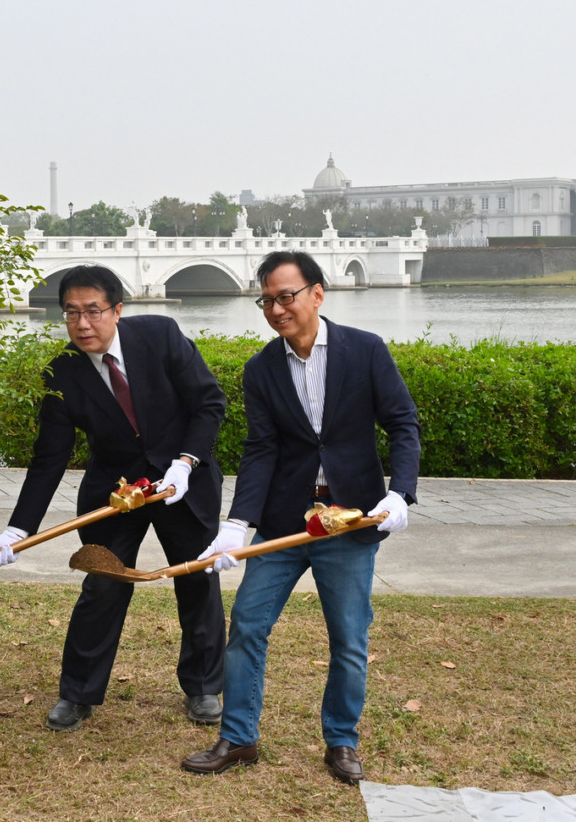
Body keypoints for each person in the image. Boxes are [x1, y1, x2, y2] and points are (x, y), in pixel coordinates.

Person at [181, 250, 419, 782]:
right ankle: (238, 738)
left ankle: (341, 742)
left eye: (285, 296)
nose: (275, 308)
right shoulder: (261, 368)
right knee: (246, 626)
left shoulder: (366, 351)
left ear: (316, 293)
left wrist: (400, 493)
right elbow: (261, 449)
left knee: (349, 639)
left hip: (350, 521)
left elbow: (403, 424)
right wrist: (236, 524)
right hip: (284, 522)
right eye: (266, 299)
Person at [0, 264, 228, 731]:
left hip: (182, 482)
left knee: (197, 581)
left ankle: (203, 688)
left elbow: (209, 401)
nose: (83, 324)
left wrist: (186, 462)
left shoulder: (160, 335)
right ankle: (78, 694)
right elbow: (49, 458)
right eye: (71, 313)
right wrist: (18, 528)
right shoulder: (62, 372)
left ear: (117, 309)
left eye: (93, 311)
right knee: (102, 585)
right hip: (115, 492)